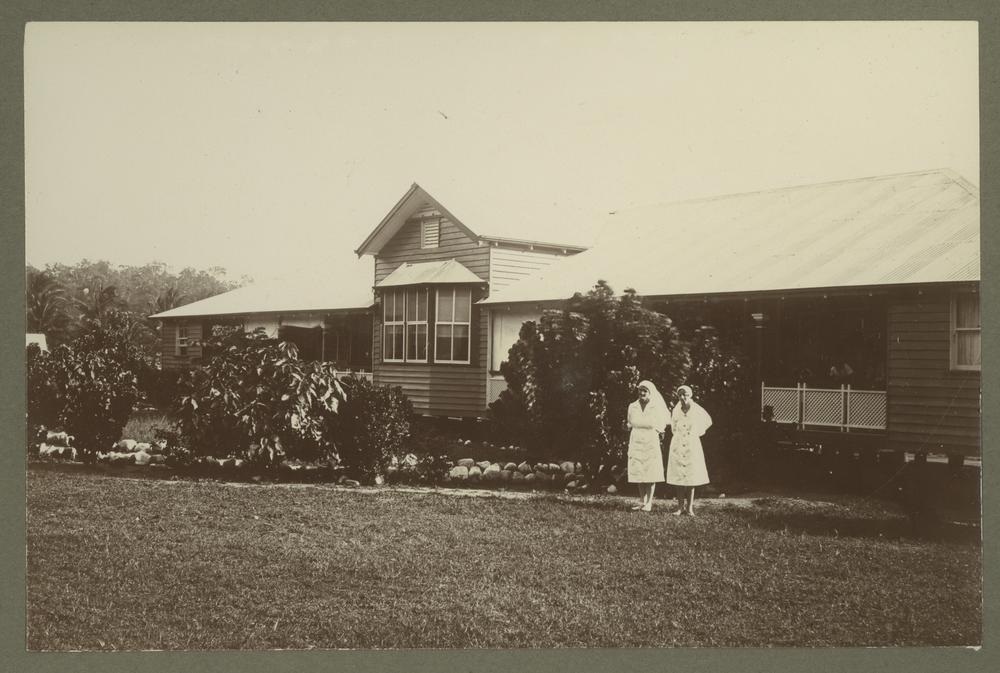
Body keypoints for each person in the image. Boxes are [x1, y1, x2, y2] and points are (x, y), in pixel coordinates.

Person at [666, 385, 713, 516]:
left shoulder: (696, 409)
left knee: (691, 476)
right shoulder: (676, 410)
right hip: (678, 444)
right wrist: (679, 436)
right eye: (680, 395)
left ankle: (690, 508)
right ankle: (680, 507)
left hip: (692, 444)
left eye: (685, 394)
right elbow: (673, 427)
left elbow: (708, 421)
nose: (682, 397)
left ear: (690, 395)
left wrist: (696, 432)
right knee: (679, 476)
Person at [626, 380, 669, 512]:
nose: (642, 393)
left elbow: (662, 424)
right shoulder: (632, 406)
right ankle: (642, 501)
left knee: (650, 470)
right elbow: (629, 422)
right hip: (636, 439)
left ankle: (649, 502)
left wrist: (659, 431)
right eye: (640, 390)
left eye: (645, 391)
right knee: (639, 469)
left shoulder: (656, 407)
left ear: (650, 393)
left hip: (650, 440)